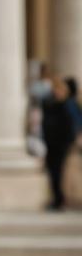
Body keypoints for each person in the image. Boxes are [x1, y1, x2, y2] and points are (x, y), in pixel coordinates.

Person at [41, 76, 77, 211]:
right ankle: (57, 199)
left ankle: (59, 199)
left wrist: (70, 140)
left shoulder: (68, 105)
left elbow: (72, 124)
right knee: (53, 171)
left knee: (59, 171)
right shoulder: (49, 103)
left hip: (62, 143)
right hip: (51, 143)